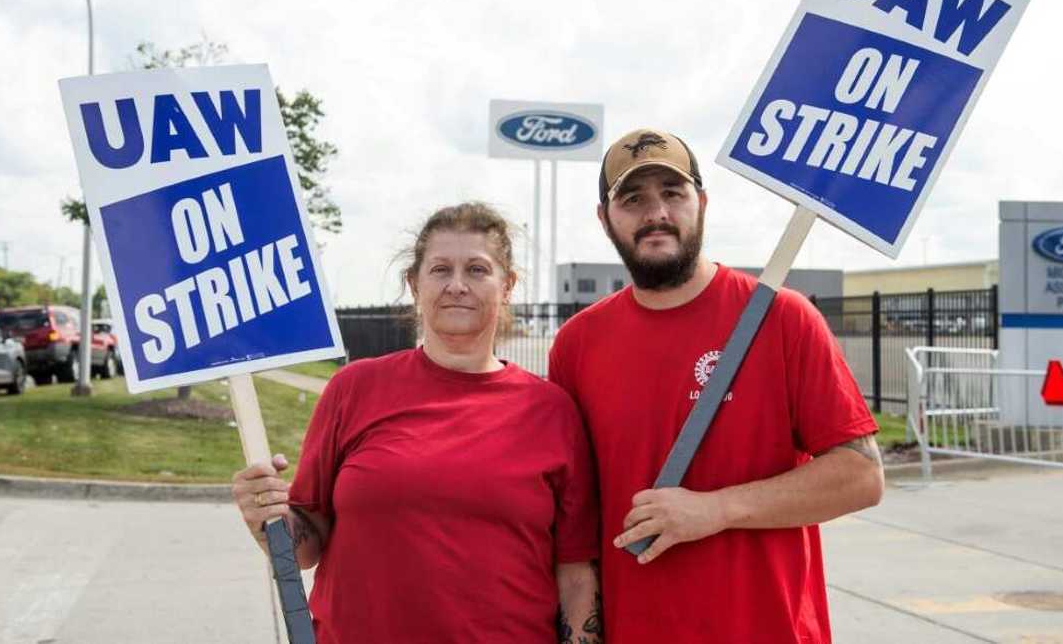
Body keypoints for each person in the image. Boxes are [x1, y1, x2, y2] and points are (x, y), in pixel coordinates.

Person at [548, 129, 884, 644]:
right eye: (633, 199)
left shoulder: (782, 318)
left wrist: (717, 509)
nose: (656, 212)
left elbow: (861, 476)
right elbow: (574, 519)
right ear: (605, 218)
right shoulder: (577, 345)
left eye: (673, 193)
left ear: (701, 204)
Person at [233, 202, 602, 643]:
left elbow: (577, 573)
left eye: (478, 270)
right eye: (441, 269)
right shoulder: (354, 389)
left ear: (508, 286)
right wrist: (267, 520)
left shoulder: (552, 412)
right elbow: (308, 543)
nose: (457, 285)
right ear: (415, 284)